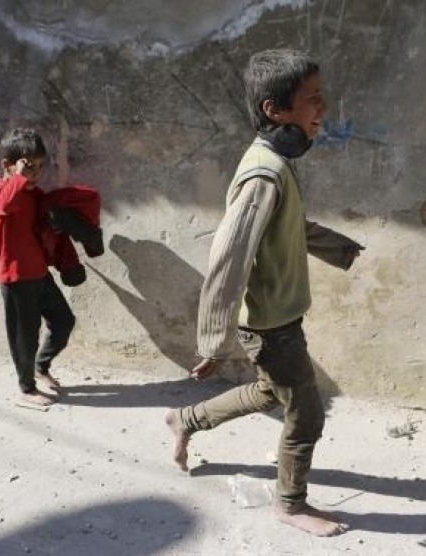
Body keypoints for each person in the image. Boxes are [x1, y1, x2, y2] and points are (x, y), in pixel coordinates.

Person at [165, 49, 364, 537]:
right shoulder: (264, 173)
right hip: (270, 324)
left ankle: (186, 419)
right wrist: (213, 343)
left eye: (322, 97)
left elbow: (290, 224)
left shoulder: (274, 159)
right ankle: (290, 504)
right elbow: (228, 262)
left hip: (280, 315)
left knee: (270, 391)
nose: (323, 108)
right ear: (276, 110)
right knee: (306, 412)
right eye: (312, 100)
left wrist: (339, 248)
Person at [0, 128, 75, 407]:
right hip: (16, 279)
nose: (35, 173)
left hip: (39, 274)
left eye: (39, 166)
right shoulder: (0, 191)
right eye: (28, 166)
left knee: (64, 320)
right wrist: (18, 178)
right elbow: (3, 205)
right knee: (24, 337)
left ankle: (41, 365)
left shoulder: (33, 194)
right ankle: (26, 390)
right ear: (7, 165)